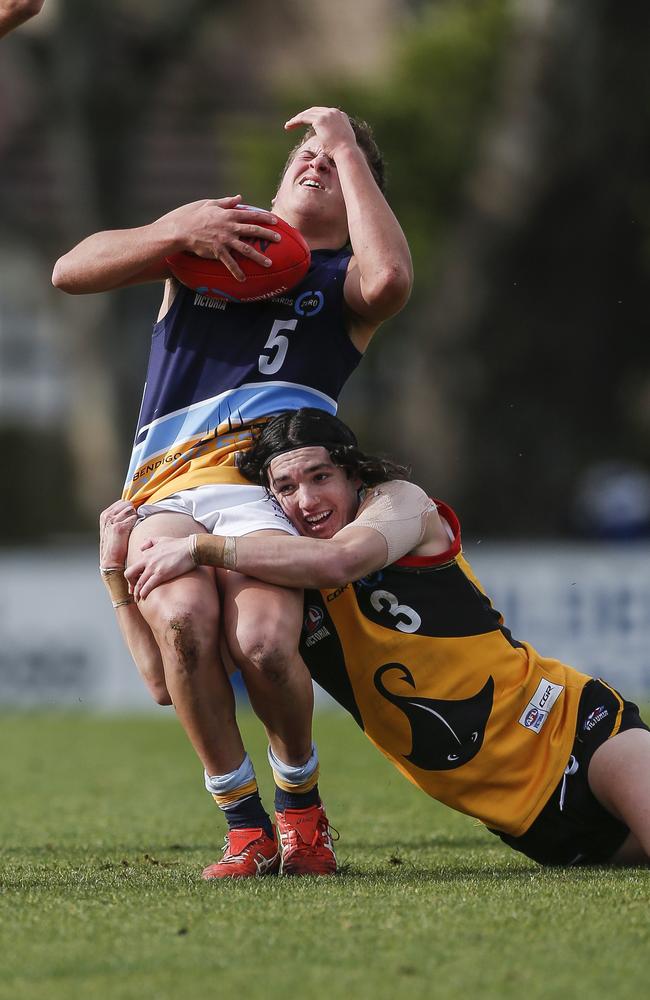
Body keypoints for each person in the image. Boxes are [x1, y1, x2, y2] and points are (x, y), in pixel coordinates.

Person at [56, 108, 412, 879]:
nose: (313, 160)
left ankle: (302, 812)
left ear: (358, 193)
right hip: (164, 489)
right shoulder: (207, 247)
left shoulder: (343, 285)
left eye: (333, 160)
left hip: (268, 495)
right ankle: (245, 825)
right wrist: (174, 228)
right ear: (277, 185)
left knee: (260, 644)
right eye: (303, 156)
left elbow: (389, 280)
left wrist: (348, 145)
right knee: (183, 621)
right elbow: (70, 270)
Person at [123, 408, 650, 867]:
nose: (306, 500)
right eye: (285, 488)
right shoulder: (280, 584)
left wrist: (201, 548)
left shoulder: (401, 505)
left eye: (320, 476)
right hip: (536, 828)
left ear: (354, 474)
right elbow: (167, 681)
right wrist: (113, 574)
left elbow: (341, 561)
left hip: (577, 729)